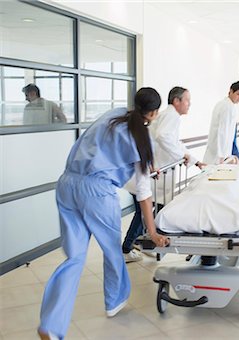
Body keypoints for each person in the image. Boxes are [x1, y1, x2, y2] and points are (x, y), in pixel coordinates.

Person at [37, 87, 170, 340]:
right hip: (97, 192)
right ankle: (114, 302)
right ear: (154, 113)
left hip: (67, 184)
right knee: (111, 250)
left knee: (74, 258)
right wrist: (151, 232)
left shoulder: (113, 114)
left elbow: (94, 146)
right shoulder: (142, 138)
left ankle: (51, 326)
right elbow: (143, 192)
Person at [149, 86, 205, 205]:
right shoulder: (171, 115)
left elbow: (176, 143)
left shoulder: (170, 114)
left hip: (159, 169)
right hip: (158, 170)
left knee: (151, 209)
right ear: (176, 101)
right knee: (151, 209)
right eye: (187, 100)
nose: (189, 104)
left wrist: (195, 161)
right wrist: (182, 155)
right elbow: (162, 136)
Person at [203, 81, 239, 164]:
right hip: (220, 152)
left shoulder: (227, 105)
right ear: (230, 91)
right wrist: (222, 155)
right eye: (238, 94)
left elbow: (229, 124)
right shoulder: (227, 107)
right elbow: (223, 131)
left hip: (220, 150)